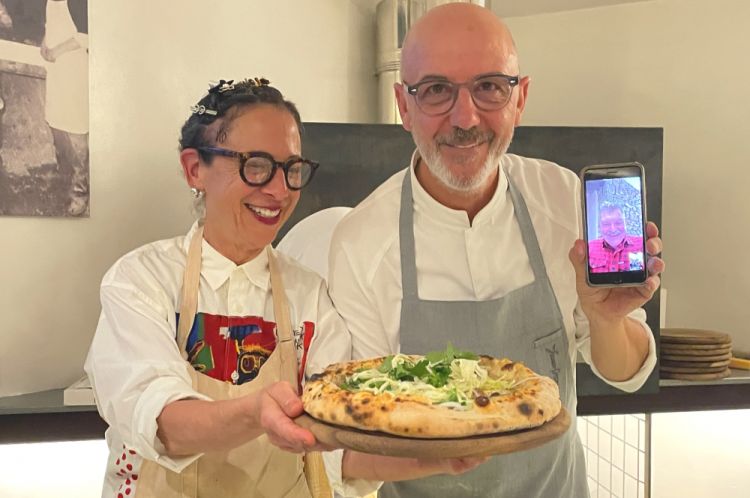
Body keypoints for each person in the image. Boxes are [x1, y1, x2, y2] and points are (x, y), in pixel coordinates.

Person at [85, 77, 483, 498]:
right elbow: (161, 421)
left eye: (292, 169)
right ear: (194, 168)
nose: (278, 190)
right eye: (255, 166)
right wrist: (259, 412)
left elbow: (336, 449)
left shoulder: (309, 294)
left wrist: (437, 458)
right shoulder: (141, 280)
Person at [327, 4, 665, 498]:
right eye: (437, 90)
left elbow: (625, 375)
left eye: (489, 87)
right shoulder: (360, 243)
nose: (465, 118)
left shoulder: (561, 198)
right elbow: (364, 429)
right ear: (403, 105)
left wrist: (606, 319)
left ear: (520, 97)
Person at [588, 201, 645, 273]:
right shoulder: (590, 248)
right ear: (599, 226)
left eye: (618, 223)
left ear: (626, 223)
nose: (613, 229)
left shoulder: (642, 245)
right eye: (606, 224)